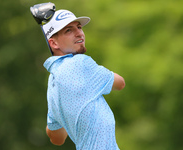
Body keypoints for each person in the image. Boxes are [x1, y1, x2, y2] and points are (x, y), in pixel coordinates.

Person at [42, 9, 125, 150]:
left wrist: (55, 120)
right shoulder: (80, 63)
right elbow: (120, 83)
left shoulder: (53, 83)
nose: (79, 33)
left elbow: (57, 138)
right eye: (69, 30)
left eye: (79, 27)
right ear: (54, 44)